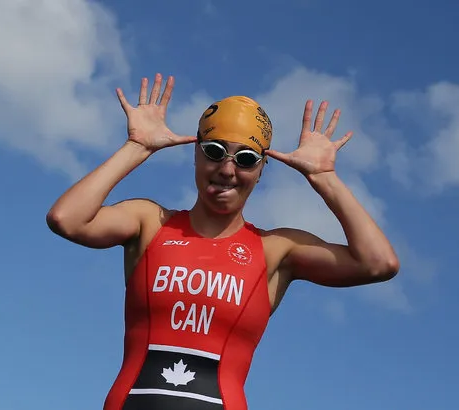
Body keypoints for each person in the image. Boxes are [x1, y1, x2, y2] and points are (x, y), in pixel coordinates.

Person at [46, 73, 400, 410]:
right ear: (196, 153)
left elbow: (378, 263)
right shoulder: (149, 222)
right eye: (215, 151)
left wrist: (324, 178)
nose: (228, 169)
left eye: (246, 159)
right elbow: (67, 219)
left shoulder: (275, 250)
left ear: (261, 171)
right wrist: (136, 147)